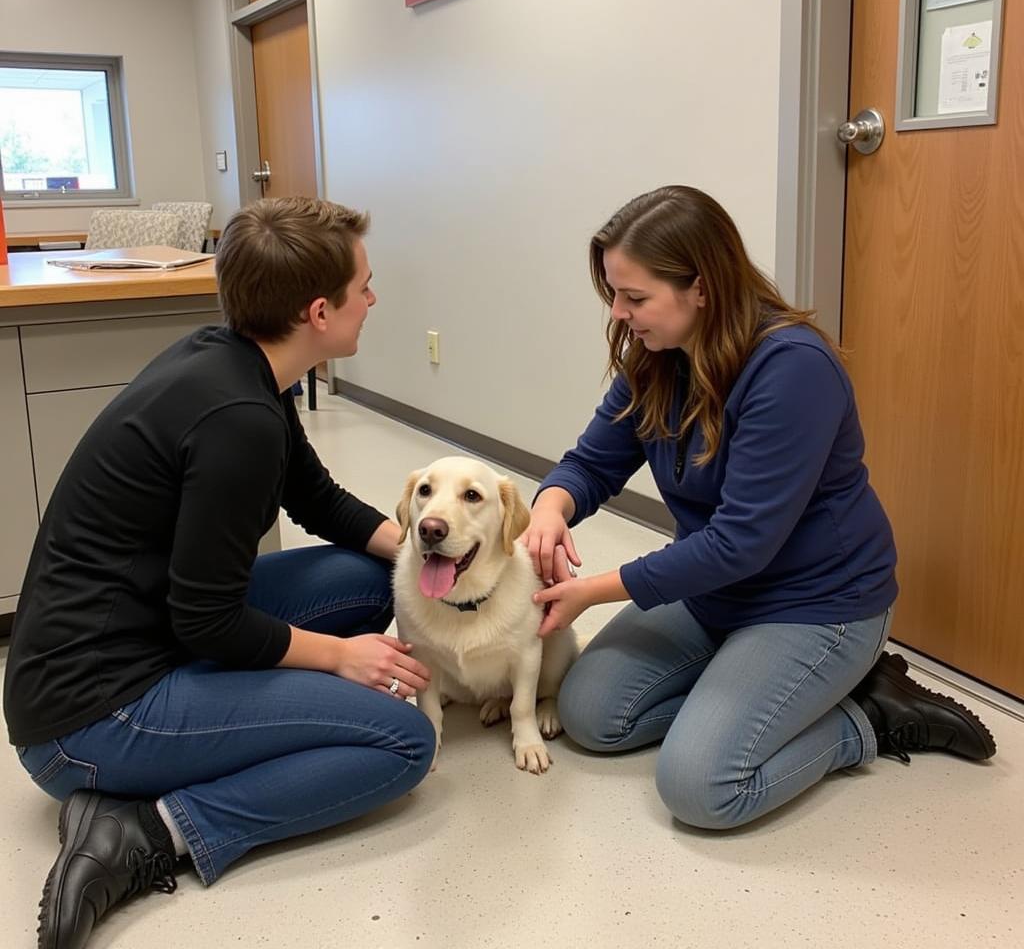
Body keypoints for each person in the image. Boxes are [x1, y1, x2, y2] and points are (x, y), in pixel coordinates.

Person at [3, 197, 436, 949]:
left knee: (377, 581)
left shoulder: (236, 360)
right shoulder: (236, 419)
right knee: (403, 743)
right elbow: (208, 621)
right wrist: (339, 656)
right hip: (89, 717)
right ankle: (147, 829)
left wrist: (447, 560)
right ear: (318, 312)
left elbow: (317, 499)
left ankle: (197, 749)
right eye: (363, 286)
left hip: (144, 638)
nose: (373, 298)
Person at [525, 185, 996, 831]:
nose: (618, 313)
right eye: (613, 293)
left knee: (700, 787)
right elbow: (591, 463)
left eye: (635, 298)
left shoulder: (792, 368)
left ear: (702, 288)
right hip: (717, 596)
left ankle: (869, 716)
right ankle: (754, 693)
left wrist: (592, 590)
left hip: (817, 604)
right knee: (589, 715)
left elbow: (739, 544)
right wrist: (550, 507)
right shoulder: (657, 358)